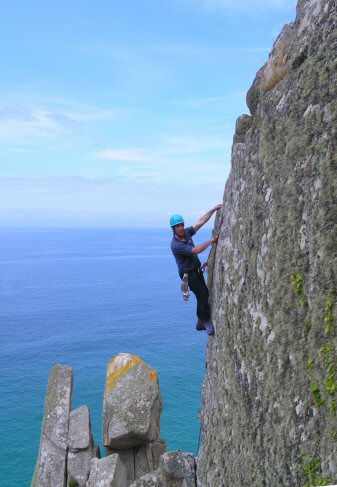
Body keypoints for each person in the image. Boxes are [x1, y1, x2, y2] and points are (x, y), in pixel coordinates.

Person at [170, 204, 222, 336]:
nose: (181, 228)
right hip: (188, 274)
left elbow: (201, 222)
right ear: (173, 229)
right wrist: (211, 241)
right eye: (178, 226)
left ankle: (201, 321)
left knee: (204, 294)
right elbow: (195, 250)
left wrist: (213, 210)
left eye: (181, 225)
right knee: (202, 296)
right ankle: (203, 322)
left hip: (196, 270)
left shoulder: (186, 233)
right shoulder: (176, 245)